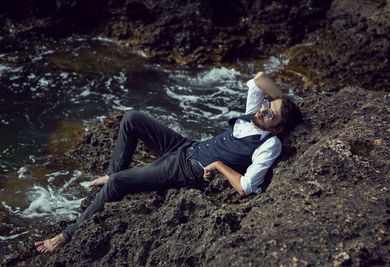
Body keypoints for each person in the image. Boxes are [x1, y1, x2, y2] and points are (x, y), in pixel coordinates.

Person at [34, 71, 302, 254]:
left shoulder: (270, 144)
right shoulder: (255, 114)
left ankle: (66, 236)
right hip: (186, 146)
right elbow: (259, 79)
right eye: (267, 104)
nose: (263, 109)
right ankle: (113, 173)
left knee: (118, 184)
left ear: (278, 129)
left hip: (186, 170)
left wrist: (219, 166)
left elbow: (246, 186)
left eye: (271, 115)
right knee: (132, 118)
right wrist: (282, 103)